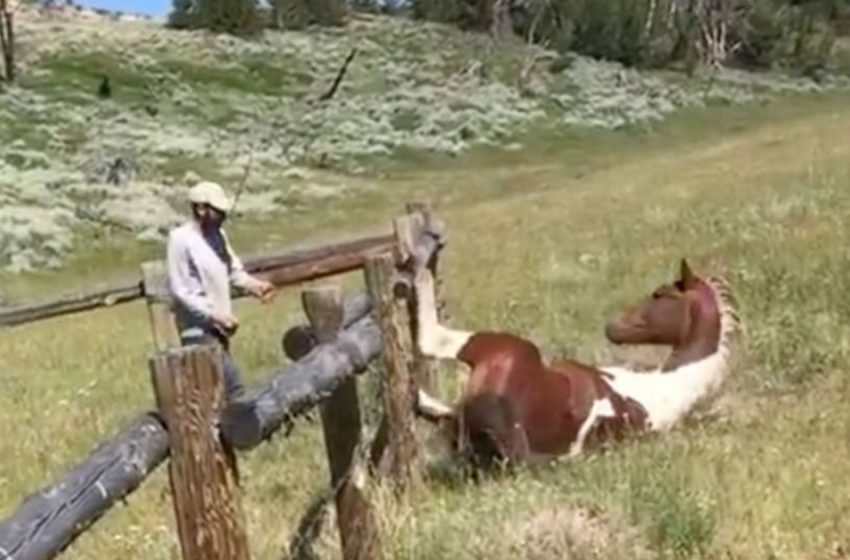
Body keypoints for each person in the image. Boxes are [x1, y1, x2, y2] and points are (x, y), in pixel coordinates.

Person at [166, 180, 275, 399]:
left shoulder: (218, 236)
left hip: (220, 328)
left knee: (217, 393)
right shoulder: (180, 240)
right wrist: (214, 315)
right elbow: (181, 290)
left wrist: (255, 286)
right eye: (217, 211)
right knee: (233, 390)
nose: (223, 216)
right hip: (197, 331)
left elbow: (233, 271)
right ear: (201, 209)